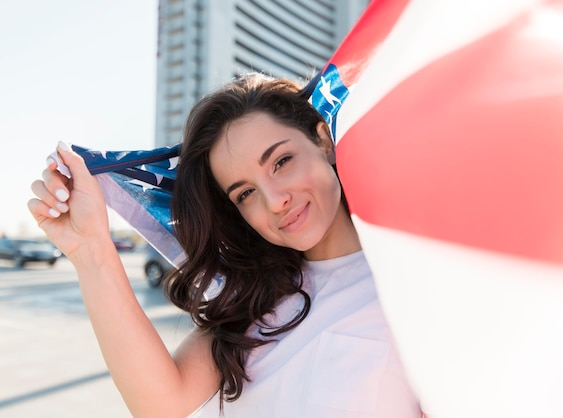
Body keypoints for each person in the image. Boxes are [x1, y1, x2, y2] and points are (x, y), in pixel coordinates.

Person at [28, 73, 421, 417]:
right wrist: (90, 250)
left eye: (281, 162)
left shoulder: (420, 280)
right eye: (245, 193)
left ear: (322, 141)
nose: (274, 200)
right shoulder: (254, 299)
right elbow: (161, 406)